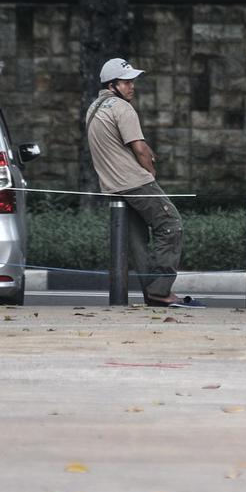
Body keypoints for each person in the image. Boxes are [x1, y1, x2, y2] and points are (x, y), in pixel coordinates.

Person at [86, 58, 202, 308]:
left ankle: (152, 293)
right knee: (171, 224)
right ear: (112, 84)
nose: (132, 86)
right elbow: (139, 148)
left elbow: (126, 143)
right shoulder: (123, 108)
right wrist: (150, 172)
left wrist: (144, 149)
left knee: (137, 241)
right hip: (135, 182)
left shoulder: (94, 109)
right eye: (126, 82)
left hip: (112, 186)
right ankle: (161, 290)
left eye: (132, 82)